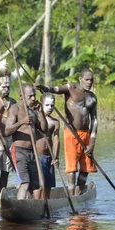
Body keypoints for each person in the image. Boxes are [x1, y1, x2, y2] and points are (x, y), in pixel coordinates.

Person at [36, 68, 98, 196]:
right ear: (80, 79)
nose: (89, 82)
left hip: (86, 134)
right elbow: (54, 89)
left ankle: (79, 191)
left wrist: (92, 143)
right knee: (72, 167)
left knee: (86, 168)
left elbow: (95, 120)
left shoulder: (92, 97)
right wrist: (42, 87)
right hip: (71, 133)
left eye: (91, 80)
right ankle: (70, 193)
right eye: (87, 79)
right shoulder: (70, 88)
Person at [5, 84, 48, 199]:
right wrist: (21, 122)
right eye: (30, 96)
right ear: (21, 96)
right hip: (19, 151)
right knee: (25, 182)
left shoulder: (32, 112)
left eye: (34, 95)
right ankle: (19, 205)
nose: (34, 99)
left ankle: (31, 206)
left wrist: (41, 113)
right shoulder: (15, 109)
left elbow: (44, 129)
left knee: (35, 185)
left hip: (32, 152)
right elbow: (7, 131)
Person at [0, 70, 16, 189]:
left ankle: (2, 192)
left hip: (8, 139)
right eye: (4, 86)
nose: (6, 89)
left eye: (8, 86)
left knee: (5, 170)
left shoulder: (13, 102)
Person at [33, 93, 60, 200]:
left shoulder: (55, 121)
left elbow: (57, 140)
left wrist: (56, 157)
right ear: (41, 104)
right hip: (38, 156)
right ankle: (36, 204)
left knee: (48, 186)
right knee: (40, 185)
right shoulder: (36, 118)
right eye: (47, 105)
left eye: (52, 105)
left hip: (49, 157)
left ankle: (46, 205)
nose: (50, 108)